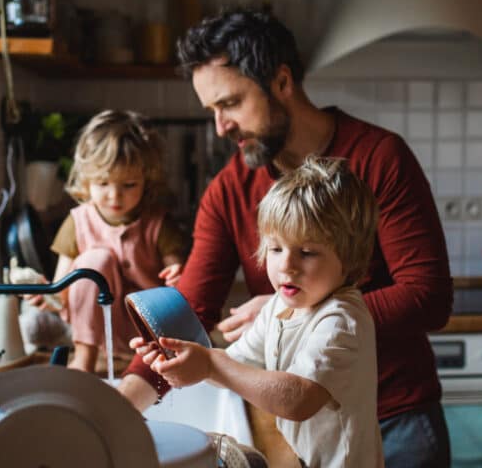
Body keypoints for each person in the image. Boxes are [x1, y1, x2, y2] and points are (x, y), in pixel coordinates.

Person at [117, 9, 453, 467]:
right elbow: (190, 310)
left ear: (281, 82)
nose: (220, 127)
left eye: (230, 103)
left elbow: (428, 296)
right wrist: (115, 412)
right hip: (302, 436)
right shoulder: (229, 189)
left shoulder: (379, 158)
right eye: (212, 110)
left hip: (395, 418)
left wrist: (296, 310)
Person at [136, 156, 383, 468]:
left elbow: (297, 399)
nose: (286, 265)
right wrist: (183, 358)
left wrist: (212, 365)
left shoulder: (340, 320)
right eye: (276, 248)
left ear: (349, 258)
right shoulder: (280, 308)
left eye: (307, 252)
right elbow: (234, 368)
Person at [22, 109, 186, 372]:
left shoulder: (158, 223)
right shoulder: (78, 222)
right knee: (94, 261)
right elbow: (61, 291)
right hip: (96, 333)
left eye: (129, 185)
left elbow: (179, 279)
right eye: (103, 183)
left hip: (150, 331)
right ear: (86, 182)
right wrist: (47, 294)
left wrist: (178, 277)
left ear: (147, 179)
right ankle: (83, 359)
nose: (114, 196)